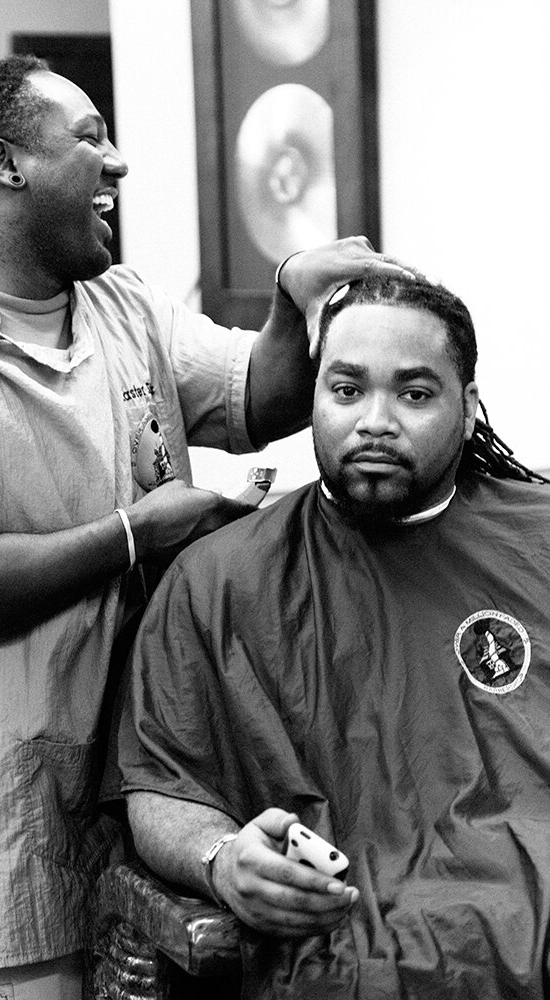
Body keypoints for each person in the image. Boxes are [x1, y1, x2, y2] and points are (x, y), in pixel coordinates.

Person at [0, 54, 411, 999]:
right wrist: (136, 534)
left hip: (113, 828)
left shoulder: (120, 305)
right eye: (90, 137)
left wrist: (289, 299)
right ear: (6, 164)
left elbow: (255, 395)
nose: (118, 161)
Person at [115, 272, 550, 999]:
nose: (375, 421)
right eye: (347, 390)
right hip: (341, 959)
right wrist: (221, 859)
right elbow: (160, 787)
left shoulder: (538, 545)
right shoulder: (219, 580)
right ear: (314, 397)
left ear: (470, 406)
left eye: (415, 394)